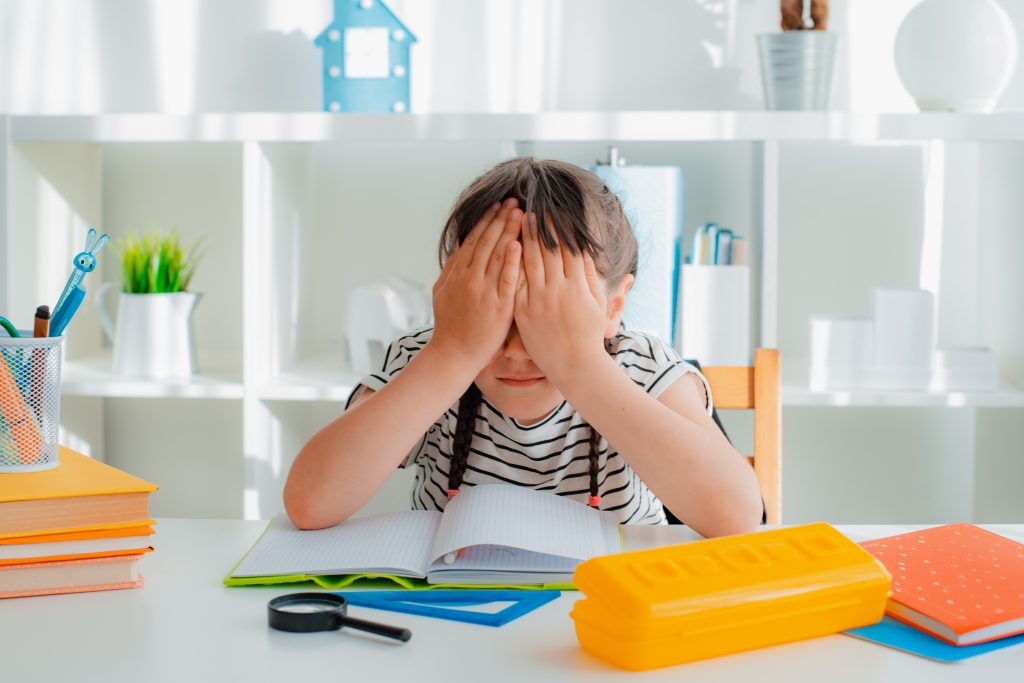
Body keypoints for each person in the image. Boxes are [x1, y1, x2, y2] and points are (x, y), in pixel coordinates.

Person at [284, 157, 763, 537]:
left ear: (613, 306)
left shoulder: (643, 366)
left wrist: (579, 364)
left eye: (547, 318)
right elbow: (310, 503)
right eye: (498, 316)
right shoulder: (427, 359)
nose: (517, 350)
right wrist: (454, 354)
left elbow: (739, 516)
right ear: (453, 297)